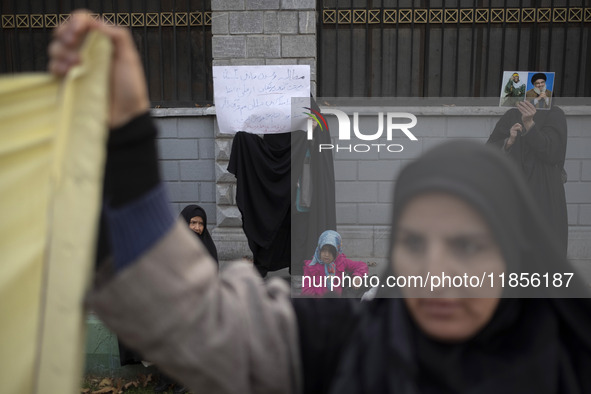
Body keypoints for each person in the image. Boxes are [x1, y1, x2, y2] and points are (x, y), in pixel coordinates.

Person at [51, 12, 591, 393]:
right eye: (413, 242)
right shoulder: (346, 339)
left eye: (468, 244)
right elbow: (191, 323)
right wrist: (124, 142)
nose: (437, 269)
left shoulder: (566, 356)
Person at [486, 99, 568, 254]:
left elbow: (552, 153)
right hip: (513, 188)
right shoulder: (511, 115)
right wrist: (508, 142)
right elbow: (490, 149)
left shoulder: (555, 115)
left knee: (544, 244)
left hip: (545, 188)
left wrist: (530, 125)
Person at [301, 230, 368, 297]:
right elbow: (307, 291)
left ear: (337, 251)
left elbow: (361, 265)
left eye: (330, 251)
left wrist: (357, 276)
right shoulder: (311, 267)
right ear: (319, 249)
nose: (326, 255)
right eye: (324, 250)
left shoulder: (340, 261)